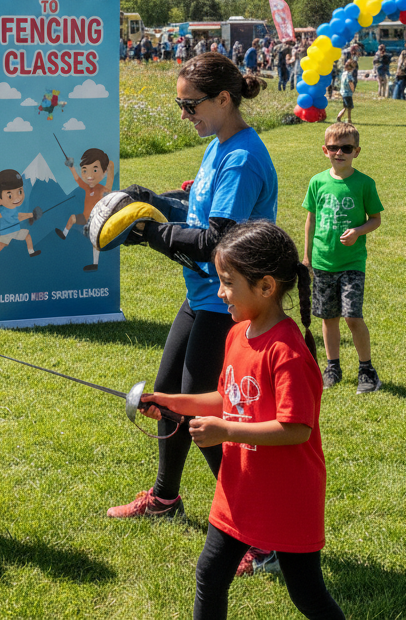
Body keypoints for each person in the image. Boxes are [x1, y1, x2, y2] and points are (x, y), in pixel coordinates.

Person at [106, 53, 278, 543]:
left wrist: (150, 232)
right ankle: (165, 499)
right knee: (167, 396)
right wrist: (154, 201)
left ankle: (260, 533)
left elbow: (215, 242)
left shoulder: (241, 158)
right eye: (179, 105)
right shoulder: (219, 144)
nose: (184, 115)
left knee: (203, 416)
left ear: (224, 99)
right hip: (202, 294)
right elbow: (196, 214)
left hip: (228, 302)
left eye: (190, 105)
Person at [142, 221, 344, 620]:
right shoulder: (237, 335)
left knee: (307, 595)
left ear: (266, 286)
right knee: (210, 574)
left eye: (228, 282)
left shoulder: (287, 351)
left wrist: (226, 431)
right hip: (240, 488)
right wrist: (171, 401)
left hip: (287, 497)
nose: (220, 292)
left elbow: (296, 429)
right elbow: (226, 398)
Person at [302, 122, 383, 394]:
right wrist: (307, 257)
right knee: (328, 317)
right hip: (323, 262)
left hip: (352, 263)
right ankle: (332, 367)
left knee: (352, 316)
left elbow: (375, 219)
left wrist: (358, 231)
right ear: (325, 150)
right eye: (334, 147)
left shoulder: (364, 183)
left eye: (346, 148)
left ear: (356, 151)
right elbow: (311, 220)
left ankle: (367, 370)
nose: (340, 153)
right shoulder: (317, 182)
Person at [335, 60, 358, 124]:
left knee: (345, 107)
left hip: (343, 92)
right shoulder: (349, 75)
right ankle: (349, 120)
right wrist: (353, 90)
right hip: (348, 93)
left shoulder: (344, 73)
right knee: (349, 107)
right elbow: (350, 83)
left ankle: (339, 117)